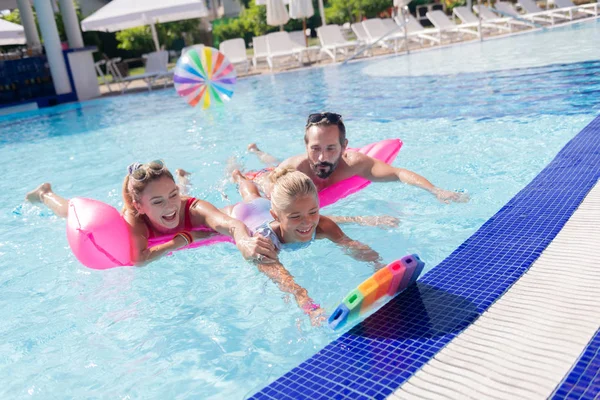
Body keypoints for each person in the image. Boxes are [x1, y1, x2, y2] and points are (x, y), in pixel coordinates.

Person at [25, 160, 278, 266]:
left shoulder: (192, 208)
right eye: (157, 202)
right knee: (70, 212)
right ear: (139, 206)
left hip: (182, 203)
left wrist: (244, 241)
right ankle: (46, 193)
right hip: (118, 215)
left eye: (172, 195)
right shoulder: (134, 219)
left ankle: (180, 179)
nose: (169, 206)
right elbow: (139, 259)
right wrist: (181, 240)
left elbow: (231, 225)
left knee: (178, 199)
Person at [223, 167, 385, 326]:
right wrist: (310, 307)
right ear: (276, 216)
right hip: (245, 214)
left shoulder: (322, 225)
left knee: (257, 197)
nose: (307, 222)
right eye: (295, 216)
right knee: (250, 196)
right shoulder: (265, 242)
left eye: (313, 212)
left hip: (266, 206)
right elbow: (285, 281)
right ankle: (238, 176)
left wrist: (378, 264)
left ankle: (249, 180)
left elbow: (351, 246)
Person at [246, 112, 470, 204]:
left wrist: (436, 190)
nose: (322, 157)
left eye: (331, 148)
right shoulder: (296, 169)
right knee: (272, 164)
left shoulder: (354, 163)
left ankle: (257, 151)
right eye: (315, 148)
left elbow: (398, 173)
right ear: (306, 146)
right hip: (269, 176)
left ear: (344, 146)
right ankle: (256, 152)